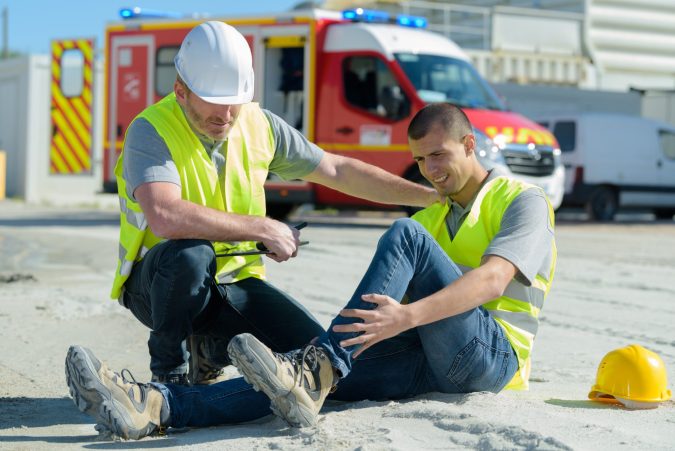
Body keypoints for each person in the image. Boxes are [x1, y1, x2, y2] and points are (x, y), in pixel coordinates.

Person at [65, 103, 556, 439]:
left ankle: (319, 366)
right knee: (296, 381)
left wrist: (404, 318)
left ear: (470, 144)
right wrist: (378, 333)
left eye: (439, 155)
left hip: (493, 359)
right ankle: (154, 405)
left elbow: (493, 279)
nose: (429, 169)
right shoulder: (431, 213)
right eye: (420, 159)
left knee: (400, 240)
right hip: (428, 357)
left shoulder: (521, 200)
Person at [112, 21, 438, 385]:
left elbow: (336, 169)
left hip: (233, 282)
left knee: (311, 355)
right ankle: (168, 377)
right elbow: (165, 216)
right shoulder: (151, 129)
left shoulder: (259, 125)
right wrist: (263, 227)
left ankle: (211, 349)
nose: (226, 116)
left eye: (234, 103)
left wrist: (429, 196)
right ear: (181, 91)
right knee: (191, 254)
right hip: (159, 286)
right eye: (214, 105)